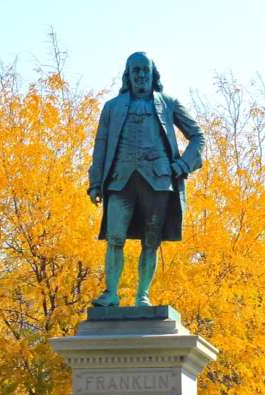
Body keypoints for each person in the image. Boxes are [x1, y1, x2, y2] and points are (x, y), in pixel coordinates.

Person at [87, 51, 204, 308]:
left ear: (153, 74)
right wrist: (96, 182)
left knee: (151, 242)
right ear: (128, 75)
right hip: (120, 180)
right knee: (114, 238)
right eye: (135, 70)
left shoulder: (168, 103)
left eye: (145, 70)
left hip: (159, 181)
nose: (140, 75)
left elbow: (198, 136)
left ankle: (143, 295)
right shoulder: (112, 107)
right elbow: (101, 145)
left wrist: (183, 164)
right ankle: (111, 293)